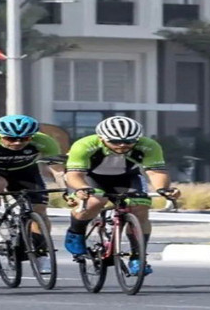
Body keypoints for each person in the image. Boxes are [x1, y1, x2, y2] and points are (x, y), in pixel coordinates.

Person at [63, 116, 181, 276]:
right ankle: (76, 232)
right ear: (102, 138)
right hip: (91, 177)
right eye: (115, 141)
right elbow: (74, 175)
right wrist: (82, 188)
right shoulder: (84, 145)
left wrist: (163, 189)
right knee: (95, 201)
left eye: (129, 141)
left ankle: (138, 257)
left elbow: (156, 172)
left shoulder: (149, 145)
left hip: (127, 177)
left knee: (140, 207)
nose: (122, 145)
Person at [0, 115, 66, 274]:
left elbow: (57, 170)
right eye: (10, 139)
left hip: (25, 171)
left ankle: (41, 253)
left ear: (32, 136)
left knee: (39, 210)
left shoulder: (45, 141)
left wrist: (67, 191)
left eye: (25, 139)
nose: (18, 143)